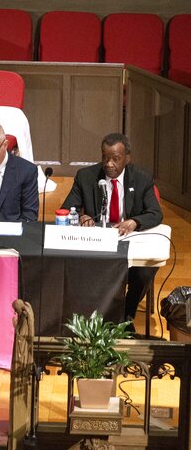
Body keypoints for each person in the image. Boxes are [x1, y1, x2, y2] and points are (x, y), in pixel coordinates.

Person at [62, 132, 163, 321]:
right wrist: (82, 216)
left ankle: (127, 314)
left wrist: (135, 221)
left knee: (145, 271)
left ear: (127, 158)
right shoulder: (86, 177)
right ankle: (88, 315)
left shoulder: (142, 178)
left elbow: (155, 214)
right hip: (97, 243)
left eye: (115, 159)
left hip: (129, 241)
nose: (109, 164)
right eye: (105, 158)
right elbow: (66, 209)